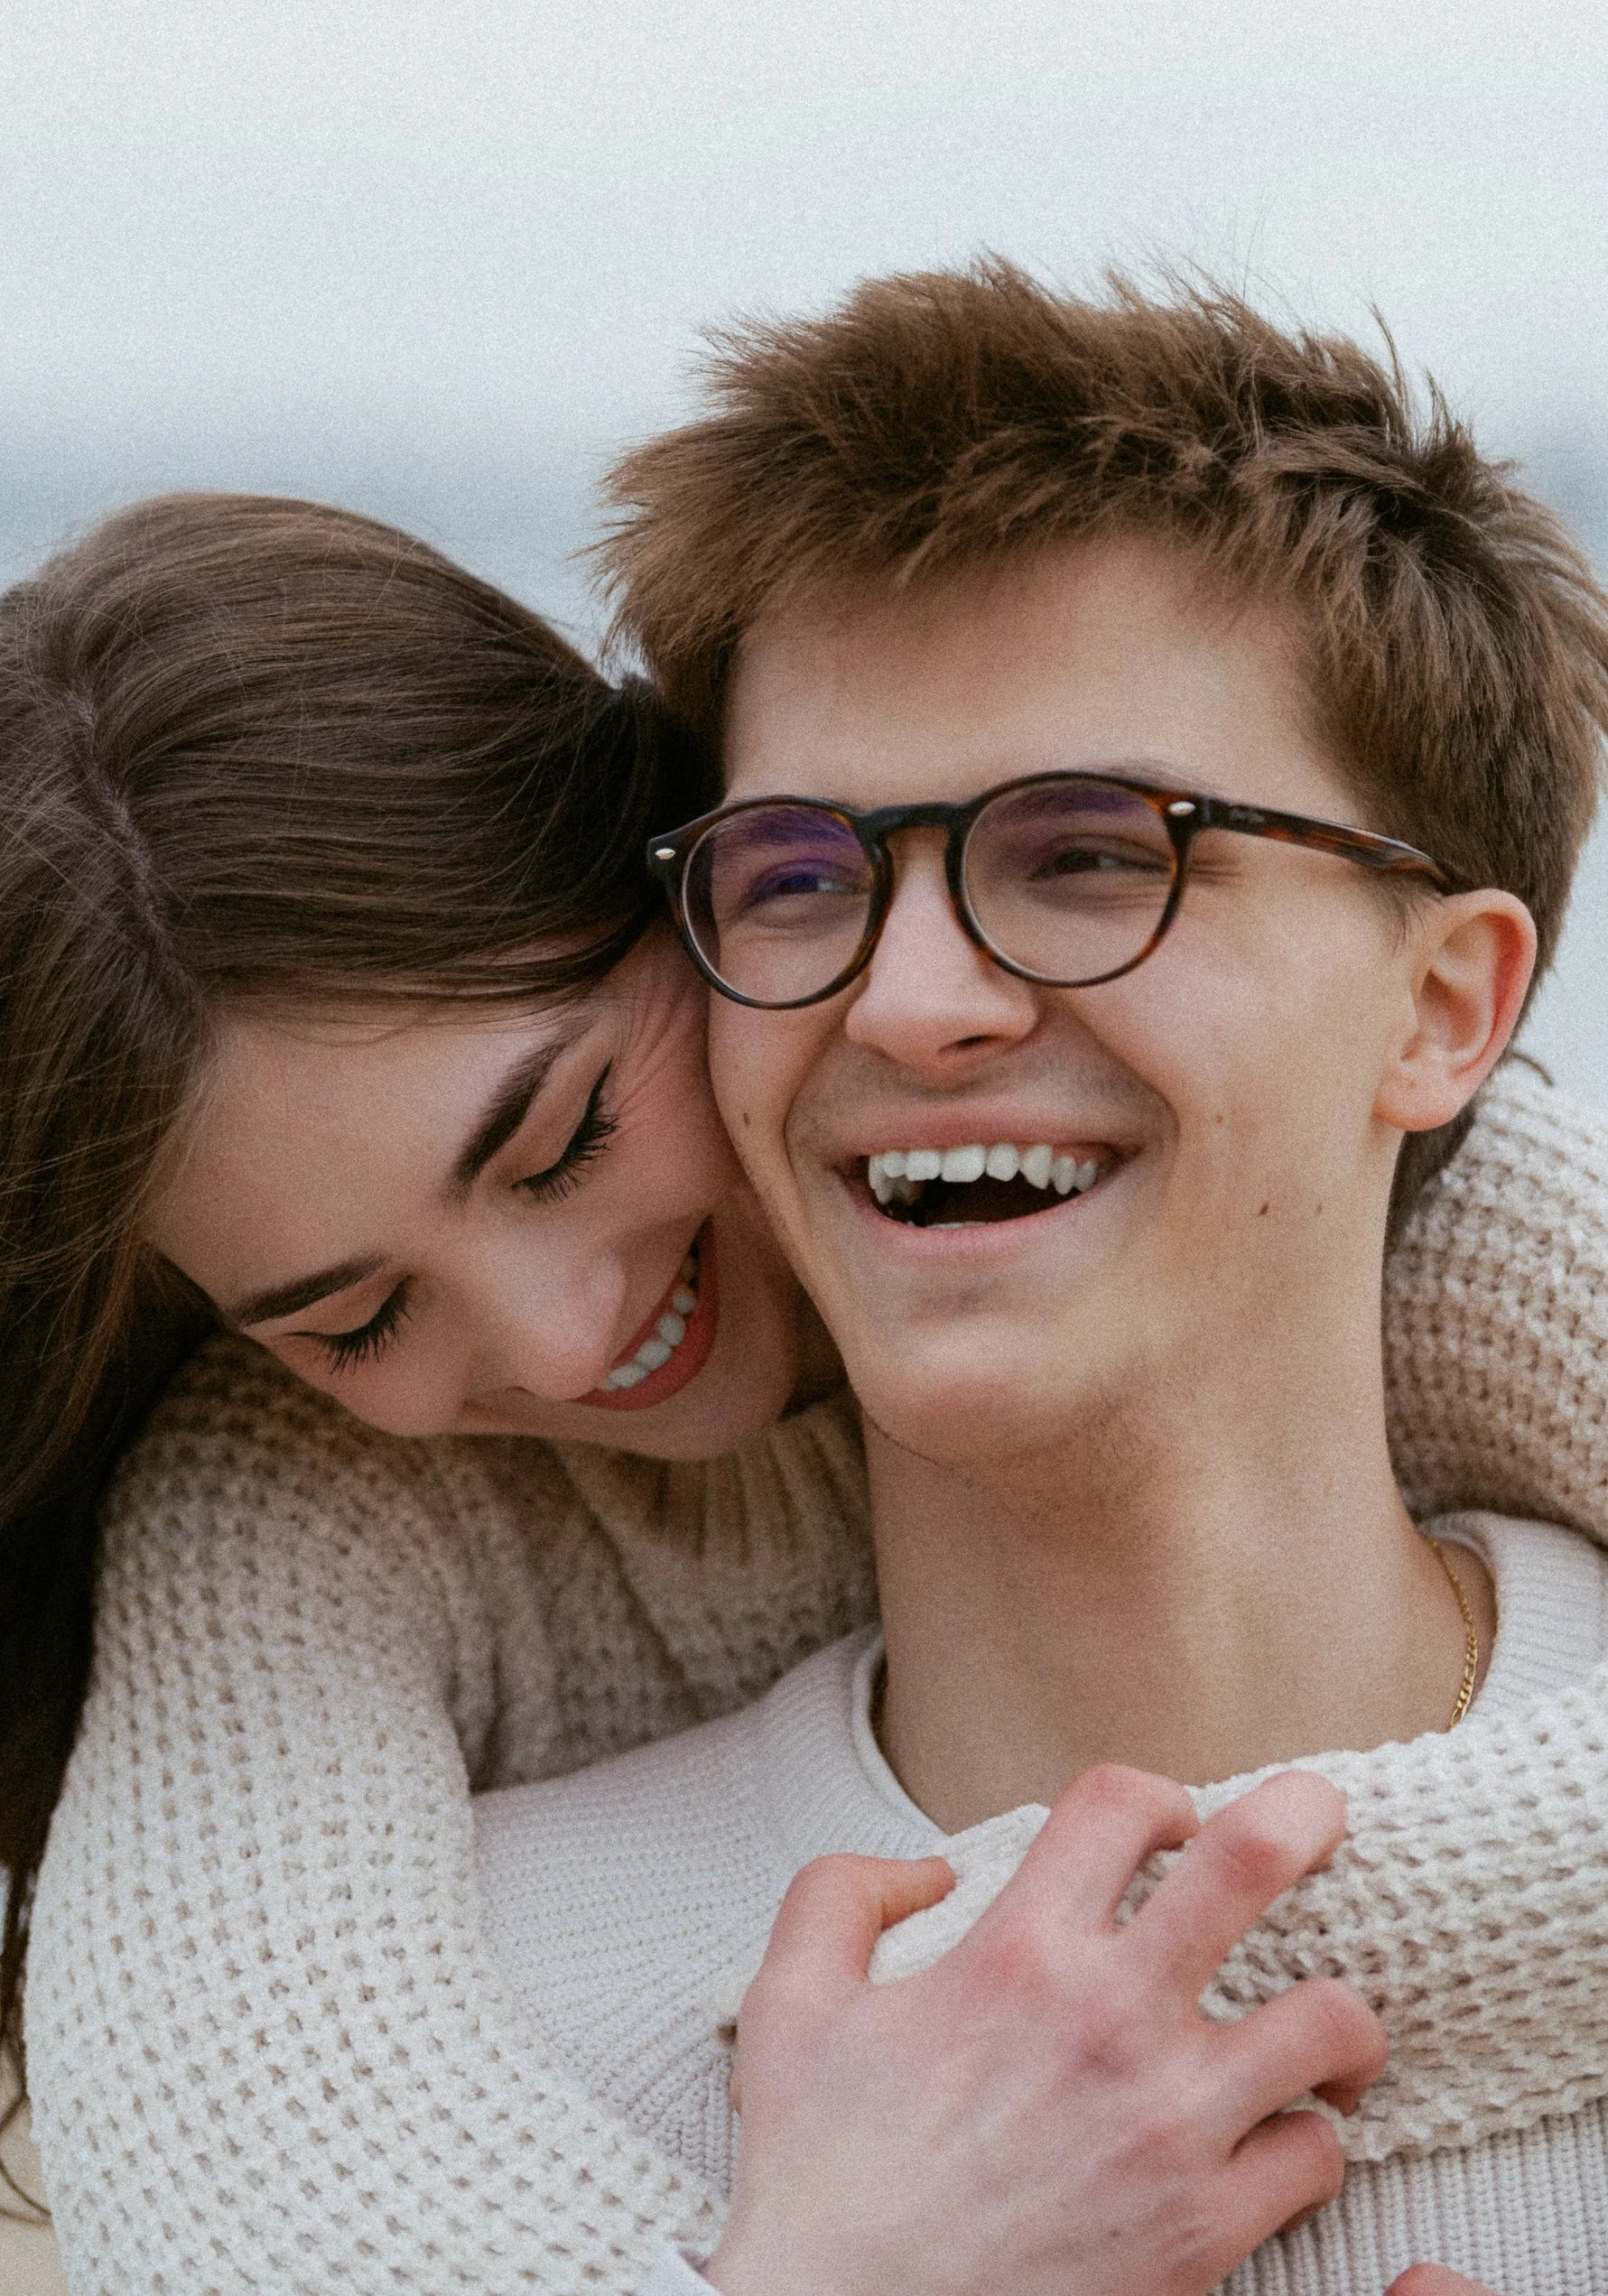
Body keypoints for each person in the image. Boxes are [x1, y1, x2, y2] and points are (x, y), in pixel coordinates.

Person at [0, 483, 1598, 2296]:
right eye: (353, 1318)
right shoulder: (317, 1654)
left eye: (568, 1135)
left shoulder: (1466, 1256)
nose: (561, 1344)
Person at [468, 265, 1608, 2294]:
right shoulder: (489, 1986)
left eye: (1089, 852)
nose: (905, 1003)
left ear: (1441, 1006)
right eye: (799, 874)